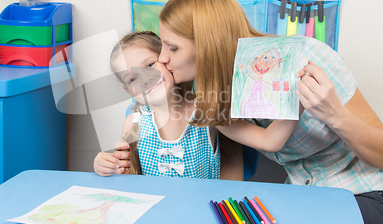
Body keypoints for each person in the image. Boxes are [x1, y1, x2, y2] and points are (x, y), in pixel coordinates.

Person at [156, 0, 383, 224]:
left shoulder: (307, 56)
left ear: (209, 44)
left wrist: (334, 114)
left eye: (172, 47)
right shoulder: (215, 101)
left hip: (373, 200)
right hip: (308, 202)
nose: (163, 57)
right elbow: (269, 142)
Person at [93, 31, 301, 180]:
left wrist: (298, 98)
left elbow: (267, 142)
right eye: (132, 79)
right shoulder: (132, 123)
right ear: (129, 91)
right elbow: (126, 174)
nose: (146, 78)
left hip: (201, 214)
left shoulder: (206, 110)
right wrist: (105, 165)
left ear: (167, 61)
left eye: (150, 65)